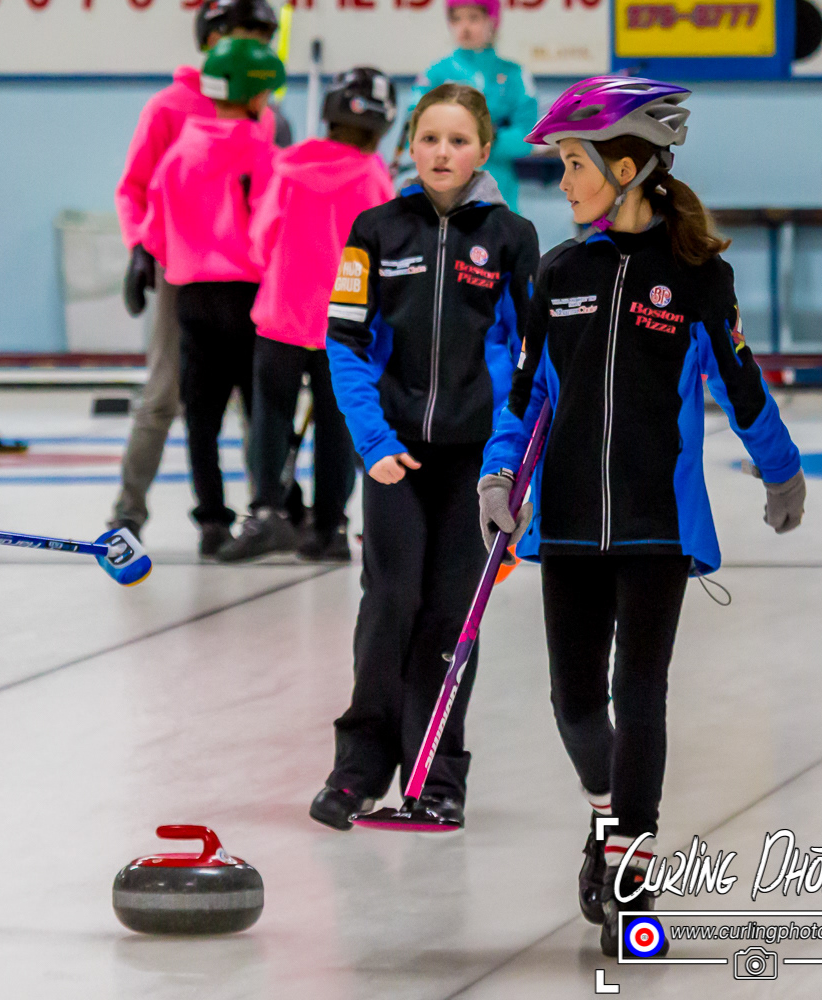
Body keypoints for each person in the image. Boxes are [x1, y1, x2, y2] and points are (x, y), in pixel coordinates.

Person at [481, 76, 805, 958]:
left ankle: (631, 869)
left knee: (641, 692)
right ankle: (606, 818)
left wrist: (781, 471)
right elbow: (523, 395)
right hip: (567, 523)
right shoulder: (559, 273)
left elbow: (741, 383)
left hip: (659, 524)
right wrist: (498, 475)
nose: (564, 182)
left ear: (626, 168)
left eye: (574, 164)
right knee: (575, 701)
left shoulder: (697, 276)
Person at [310, 83, 538, 831]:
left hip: (476, 464)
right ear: (409, 145)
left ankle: (437, 776)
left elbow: (530, 358)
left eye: (459, 140)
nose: (443, 153)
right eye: (430, 138)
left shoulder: (512, 237)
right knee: (388, 604)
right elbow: (345, 341)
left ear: (483, 150)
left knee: (451, 615)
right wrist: (373, 442)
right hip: (395, 458)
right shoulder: (375, 230)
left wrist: (508, 462)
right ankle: (357, 771)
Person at [109, 0, 284, 540]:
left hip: (247, 278)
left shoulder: (263, 111)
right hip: (181, 272)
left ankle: (266, 509)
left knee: (258, 398)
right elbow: (136, 187)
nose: (253, 46)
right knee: (165, 393)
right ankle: (129, 509)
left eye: (261, 37)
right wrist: (140, 248)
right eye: (241, 34)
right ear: (211, 39)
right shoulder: (170, 106)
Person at [219, 67, 398, 563]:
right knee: (336, 425)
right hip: (344, 324)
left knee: (270, 417)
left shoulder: (287, 166)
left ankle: (266, 513)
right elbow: (385, 251)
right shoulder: (373, 176)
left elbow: (261, 238)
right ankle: (330, 527)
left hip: (281, 315)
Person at [403, 0, 538, 212]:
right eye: (456, 19)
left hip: (499, 194)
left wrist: (482, 138)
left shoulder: (514, 75)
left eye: (474, 18)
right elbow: (413, 128)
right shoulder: (435, 74)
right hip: (442, 198)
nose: (464, 27)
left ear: (492, 21)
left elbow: (528, 137)